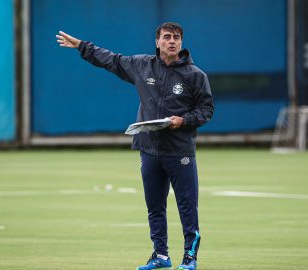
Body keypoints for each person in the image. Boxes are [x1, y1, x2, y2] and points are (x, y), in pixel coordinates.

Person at [56, 22, 213, 270]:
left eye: (176, 38)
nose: (172, 41)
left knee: (187, 206)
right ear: (157, 42)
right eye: (167, 37)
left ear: (181, 42)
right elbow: (111, 60)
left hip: (180, 151)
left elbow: (206, 110)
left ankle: (190, 257)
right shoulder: (142, 65)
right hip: (149, 149)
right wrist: (81, 46)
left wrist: (183, 121)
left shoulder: (195, 75)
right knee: (154, 206)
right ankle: (161, 255)